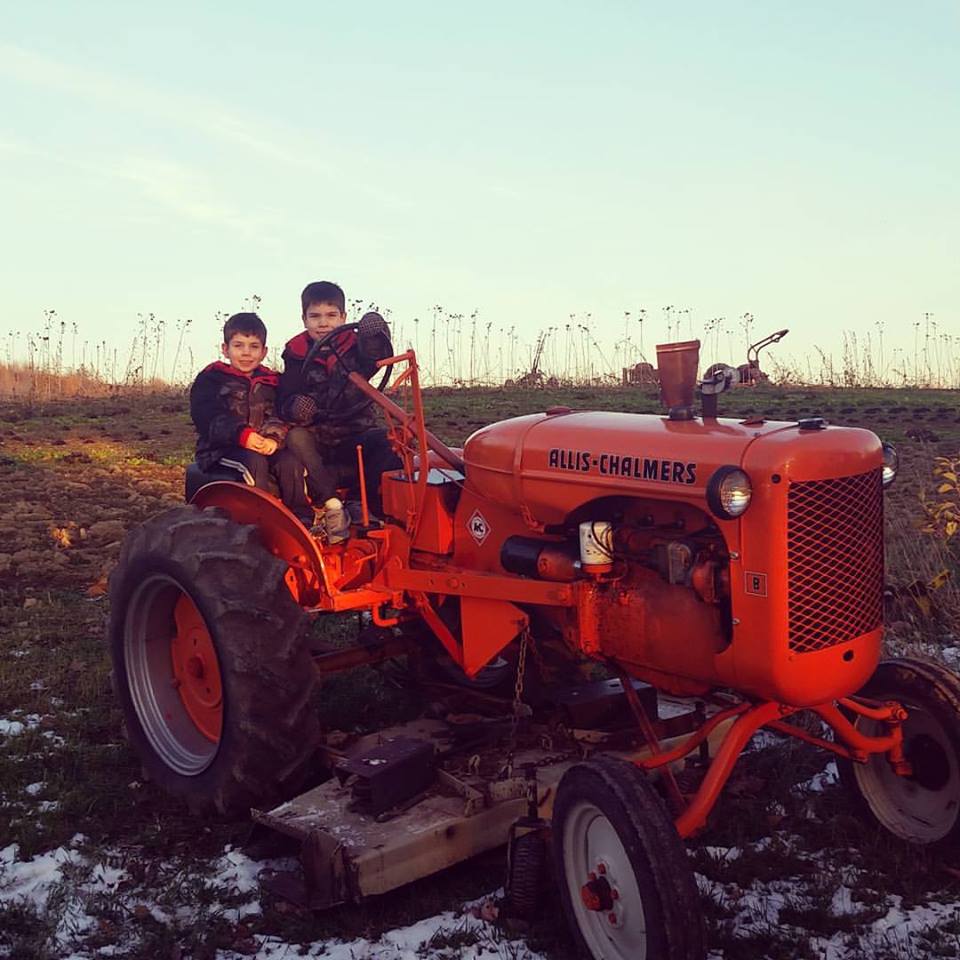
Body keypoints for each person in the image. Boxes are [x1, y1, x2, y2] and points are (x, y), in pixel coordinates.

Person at [279, 281, 400, 519]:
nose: (323, 323)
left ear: (343, 317)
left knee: (391, 442)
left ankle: (360, 502)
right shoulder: (295, 354)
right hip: (317, 439)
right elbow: (286, 396)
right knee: (296, 436)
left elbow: (374, 355)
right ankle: (330, 501)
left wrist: (374, 333)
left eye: (331, 315)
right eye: (315, 316)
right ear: (304, 319)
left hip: (355, 434)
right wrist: (296, 407)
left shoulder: (355, 347)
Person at [189, 312, 313, 525]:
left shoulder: (272, 381)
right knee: (254, 462)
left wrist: (273, 439)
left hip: (264, 446)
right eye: (238, 346)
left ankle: (301, 520)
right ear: (225, 349)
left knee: (290, 461)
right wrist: (242, 436)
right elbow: (207, 416)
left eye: (254, 347)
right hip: (220, 450)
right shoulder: (211, 379)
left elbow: (280, 415)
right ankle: (261, 519)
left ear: (264, 352)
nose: (246, 353)